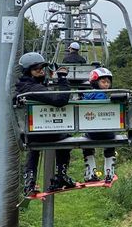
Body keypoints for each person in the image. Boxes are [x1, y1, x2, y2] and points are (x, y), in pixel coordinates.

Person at [15, 52, 76, 196]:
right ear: (28, 71)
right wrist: (62, 79)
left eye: (42, 68)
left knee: (34, 148)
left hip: (30, 134)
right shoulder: (33, 89)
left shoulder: (24, 87)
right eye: (37, 69)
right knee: (65, 137)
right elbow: (60, 100)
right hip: (42, 133)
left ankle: (29, 180)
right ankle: (61, 174)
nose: (41, 71)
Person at [81, 66, 116, 183]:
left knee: (86, 142)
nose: (106, 85)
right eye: (103, 82)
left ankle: (91, 171)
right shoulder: (104, 96)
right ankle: (109, 171)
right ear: (96, 83)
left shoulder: (87, 96)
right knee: (111, 141)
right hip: (108, 133)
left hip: (92, 133)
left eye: (108, 82)